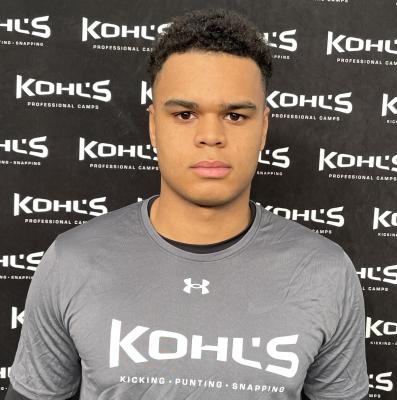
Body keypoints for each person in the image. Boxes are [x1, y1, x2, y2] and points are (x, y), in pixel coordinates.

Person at [6, 7, 369, 400]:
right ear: (153, 125)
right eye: (184, 114)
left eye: (235, 115)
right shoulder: (72, 261)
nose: (210, 135)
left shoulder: (324, 272)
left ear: (263, 127)